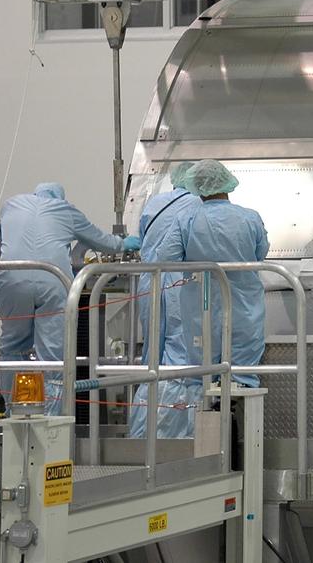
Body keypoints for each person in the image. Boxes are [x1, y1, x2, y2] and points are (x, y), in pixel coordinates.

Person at [0, 183, 139, 411]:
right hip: (52, 282)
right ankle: (50, 424)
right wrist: (124, 242)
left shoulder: (12, 204)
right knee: (53, 359)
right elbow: (103, 241)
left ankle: (15, 414)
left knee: (12, 349)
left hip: (11, 279)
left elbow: (4, 245)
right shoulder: (65, 210)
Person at [157, 160, 269, 437]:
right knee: (242, 379)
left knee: (203, 380)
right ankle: (245, 446)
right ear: (227, 183)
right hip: (244, 310)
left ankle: (205, 446)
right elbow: (261, 252)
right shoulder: (249, 217)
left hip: (201, 313)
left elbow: (165, 257)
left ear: (197, 188)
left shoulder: (187, 220)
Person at [128, 162, 201, 438]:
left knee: (153, 359)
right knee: (180, 359)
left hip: (149, 285)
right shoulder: (196, 205)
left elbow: (146, 241)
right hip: (177, 286)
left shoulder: (154, 203)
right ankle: (172, 438)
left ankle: (139, 434)